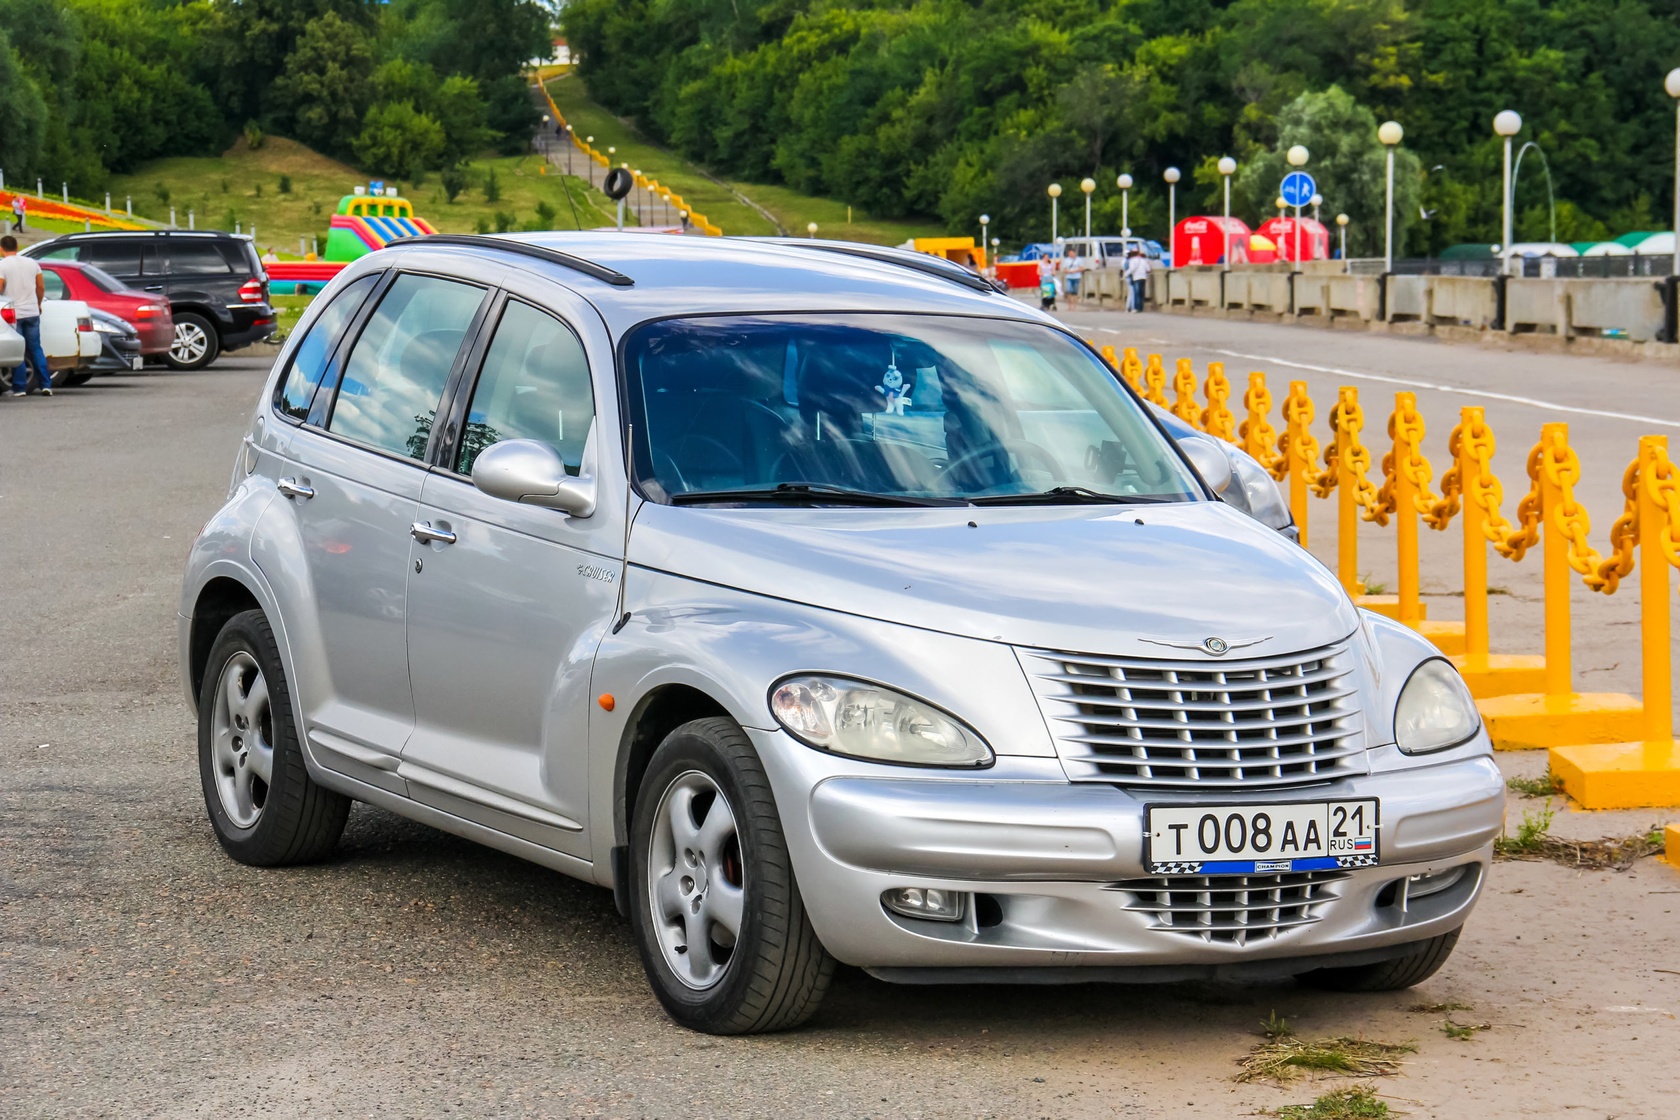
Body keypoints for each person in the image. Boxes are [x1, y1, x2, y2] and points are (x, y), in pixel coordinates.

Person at [0, 234, 52, 396]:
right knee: (36, 348)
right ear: (17, 247)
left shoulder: (2, 265)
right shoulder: (32, 263)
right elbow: (41, 286)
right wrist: (38, 303)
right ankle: (46, 384)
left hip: (14, 314)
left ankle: (20, 387)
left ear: (1, 249)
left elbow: (0, 287)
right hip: (32, 312)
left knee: (19, 350)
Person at [1125, 248, 1151, 313]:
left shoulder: (1132, 260)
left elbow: (1132, 269)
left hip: (1136, 277)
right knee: (1142, 294)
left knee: (1137, 294)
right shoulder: (1143, 260)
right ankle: (1141, 308)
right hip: (1143, 277)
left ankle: (1136, 308)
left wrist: (1125, 275)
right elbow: (1148, 269)